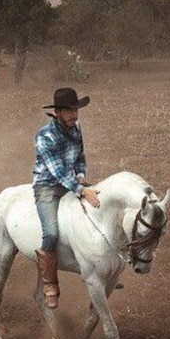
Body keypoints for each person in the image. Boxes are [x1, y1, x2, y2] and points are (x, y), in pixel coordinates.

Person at [33, 87, 100, 310]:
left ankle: (99, 268)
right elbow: (57, 172)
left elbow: (81, 158)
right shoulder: (45, 136)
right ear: (58, 112)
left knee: (98, 212)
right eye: (70, 111)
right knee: (51, 232)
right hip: (48, 187)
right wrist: (80, 189)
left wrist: (81, 178)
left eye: (76, 110)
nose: (75, 115)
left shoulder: (76, 128)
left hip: (71, 182)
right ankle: (50, 284)